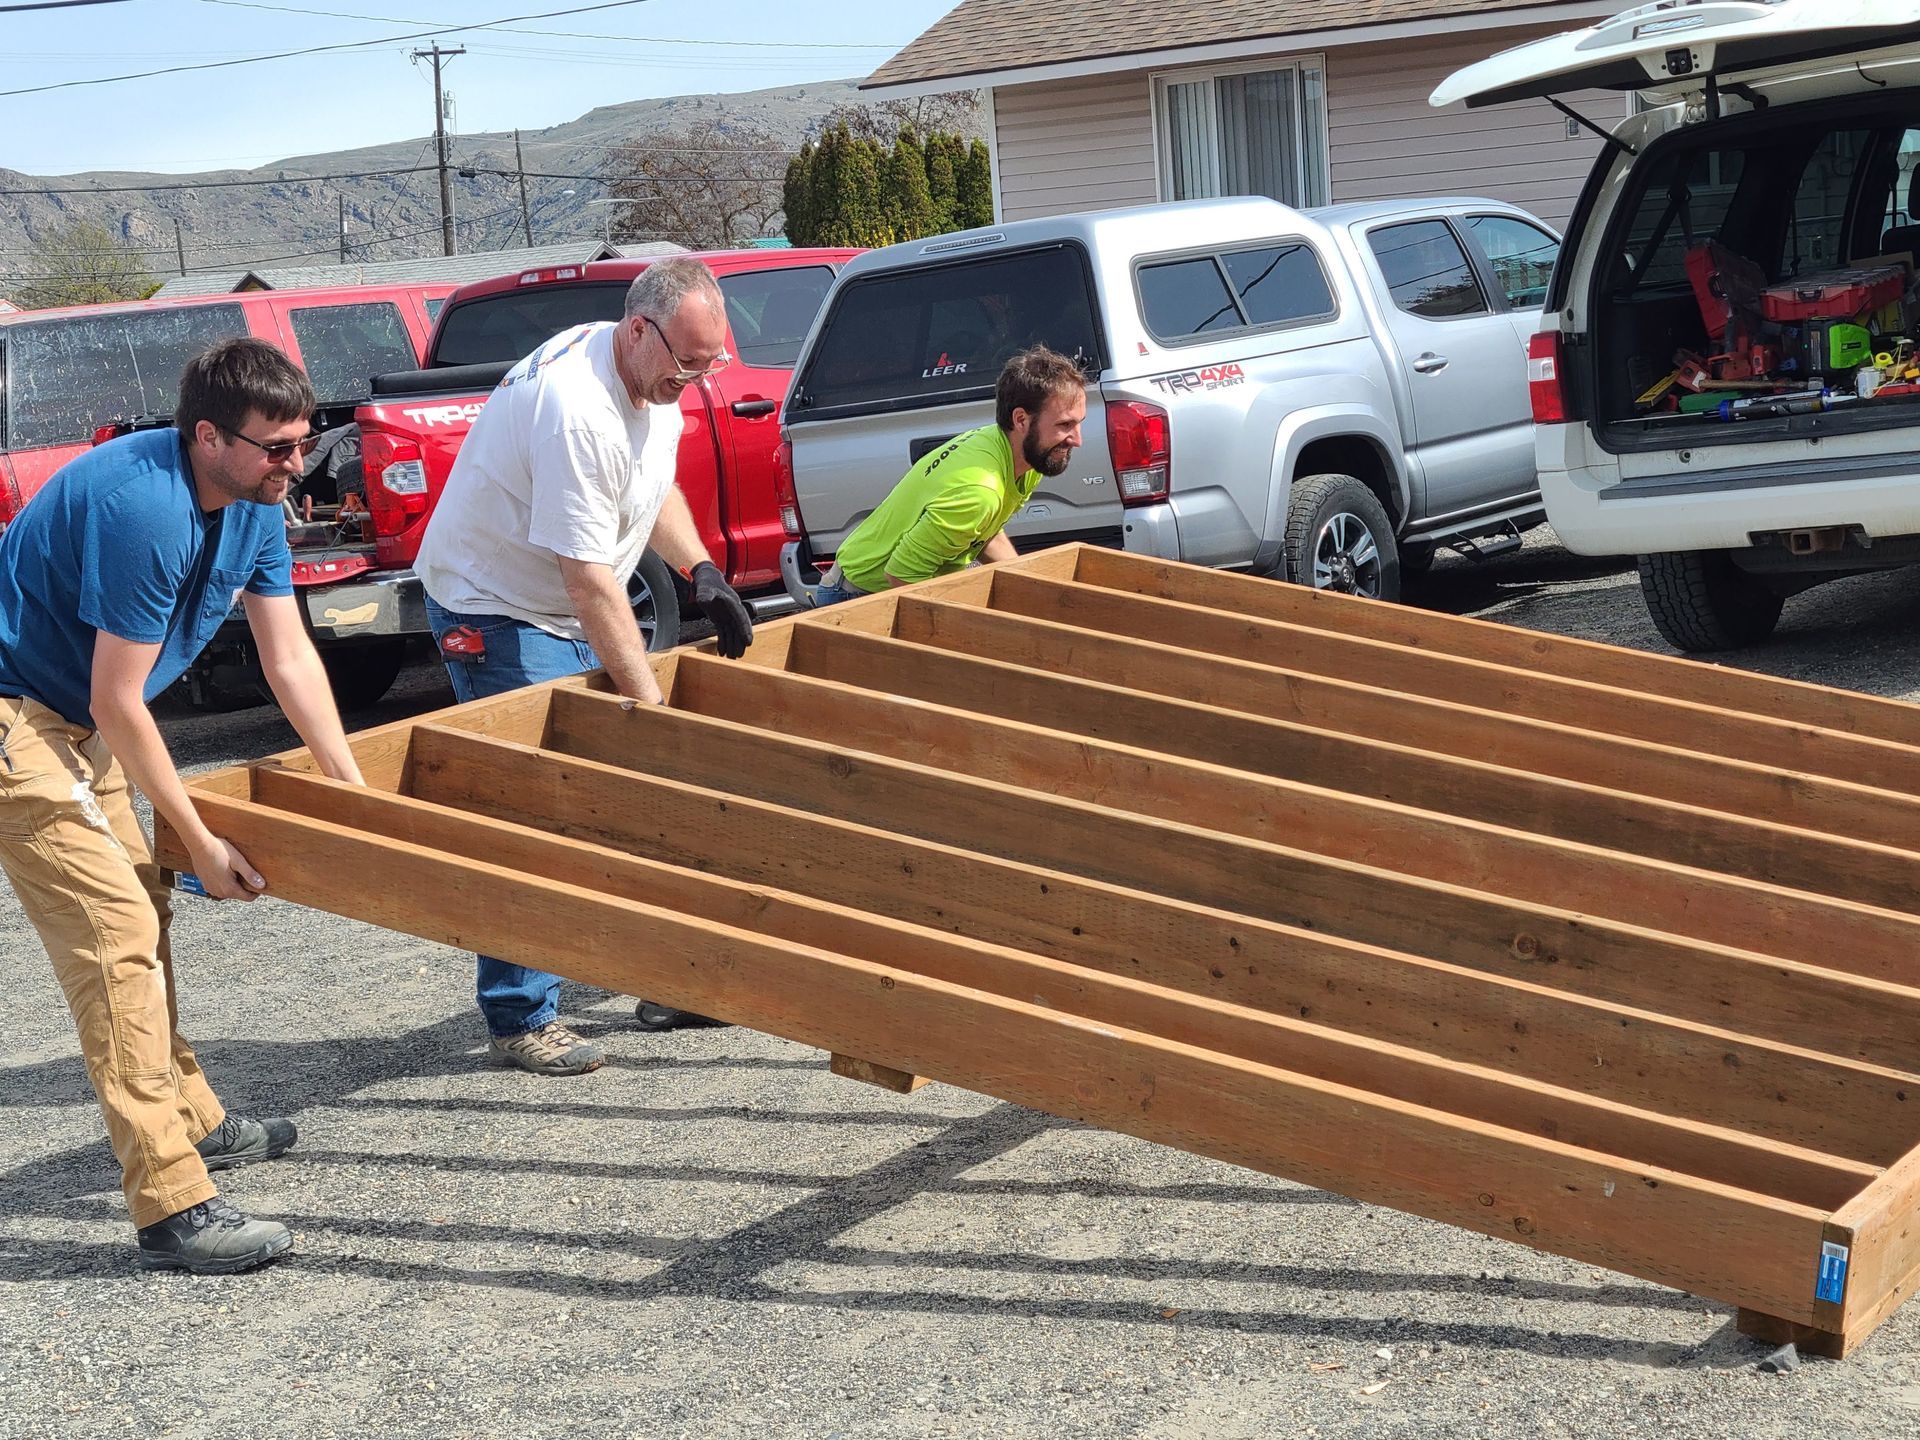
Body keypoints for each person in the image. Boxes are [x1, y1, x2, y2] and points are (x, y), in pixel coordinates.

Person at [0, 338, 367, 1275]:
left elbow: (288, 659)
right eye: (275, 448)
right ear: (208, 436)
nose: (297, 463)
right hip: (19, 722)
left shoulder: (254, 506)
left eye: (305, 441)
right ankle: (170, 1204)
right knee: (114, 929)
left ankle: (196, 1117)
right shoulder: (146, 511)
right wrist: (200, 838)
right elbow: (121, 698)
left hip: (78, 720)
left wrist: (352, 789)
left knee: (145, 910)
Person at [415, 255, 756, 1077]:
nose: (699, 379)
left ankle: (665, 978)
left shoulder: (647, 377)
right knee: (537, 808)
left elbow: (651, 487)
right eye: (688, 363)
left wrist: (700, 572)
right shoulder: (574, 408)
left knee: (622, 801)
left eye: (712, 364)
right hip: (496, 608)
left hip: (564, 597)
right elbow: (589, 580)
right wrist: (650, 711)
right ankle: (521, 1016)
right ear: (640, 330)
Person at [811, 346, 1086, 606]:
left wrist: (1030, 589)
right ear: (1021, 420)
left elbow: (985, 532)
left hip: (880, 584)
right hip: (860, 596)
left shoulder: (1020, 457)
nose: (1077, 440)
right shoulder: (979, 491)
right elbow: (901, 575)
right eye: (1064, 425)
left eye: (1078, 423)